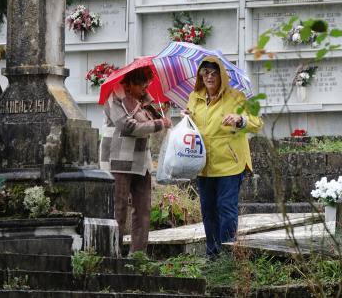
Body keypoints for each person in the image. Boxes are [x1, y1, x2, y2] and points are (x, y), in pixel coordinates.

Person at [187, 56, 263, 258]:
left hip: (230, 163)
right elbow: (194, 126)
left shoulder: (236, 97)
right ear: (200, 75)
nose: (209, 77)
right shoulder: (194, 97)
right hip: (203, 163)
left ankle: (228, 254)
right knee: (208, 211)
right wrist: (186, 117)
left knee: (226, 208)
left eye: (214, 73)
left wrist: (240, 119)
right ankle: (213, 256)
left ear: (221, 76)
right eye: (205, 73)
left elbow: (256, 122)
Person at [100, 66, 171, 254]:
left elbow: (154, 121)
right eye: (142, 85)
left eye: (147, 84)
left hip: (141, 161)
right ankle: (112, 252)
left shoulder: (144, 100)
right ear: (130, 84)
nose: (146, 89)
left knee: (143, 209)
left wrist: (158, 111)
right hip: (118, 159)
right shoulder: (115, 98)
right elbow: (127, 127)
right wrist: (158, 124)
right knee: (119, 208)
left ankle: (137, 255)